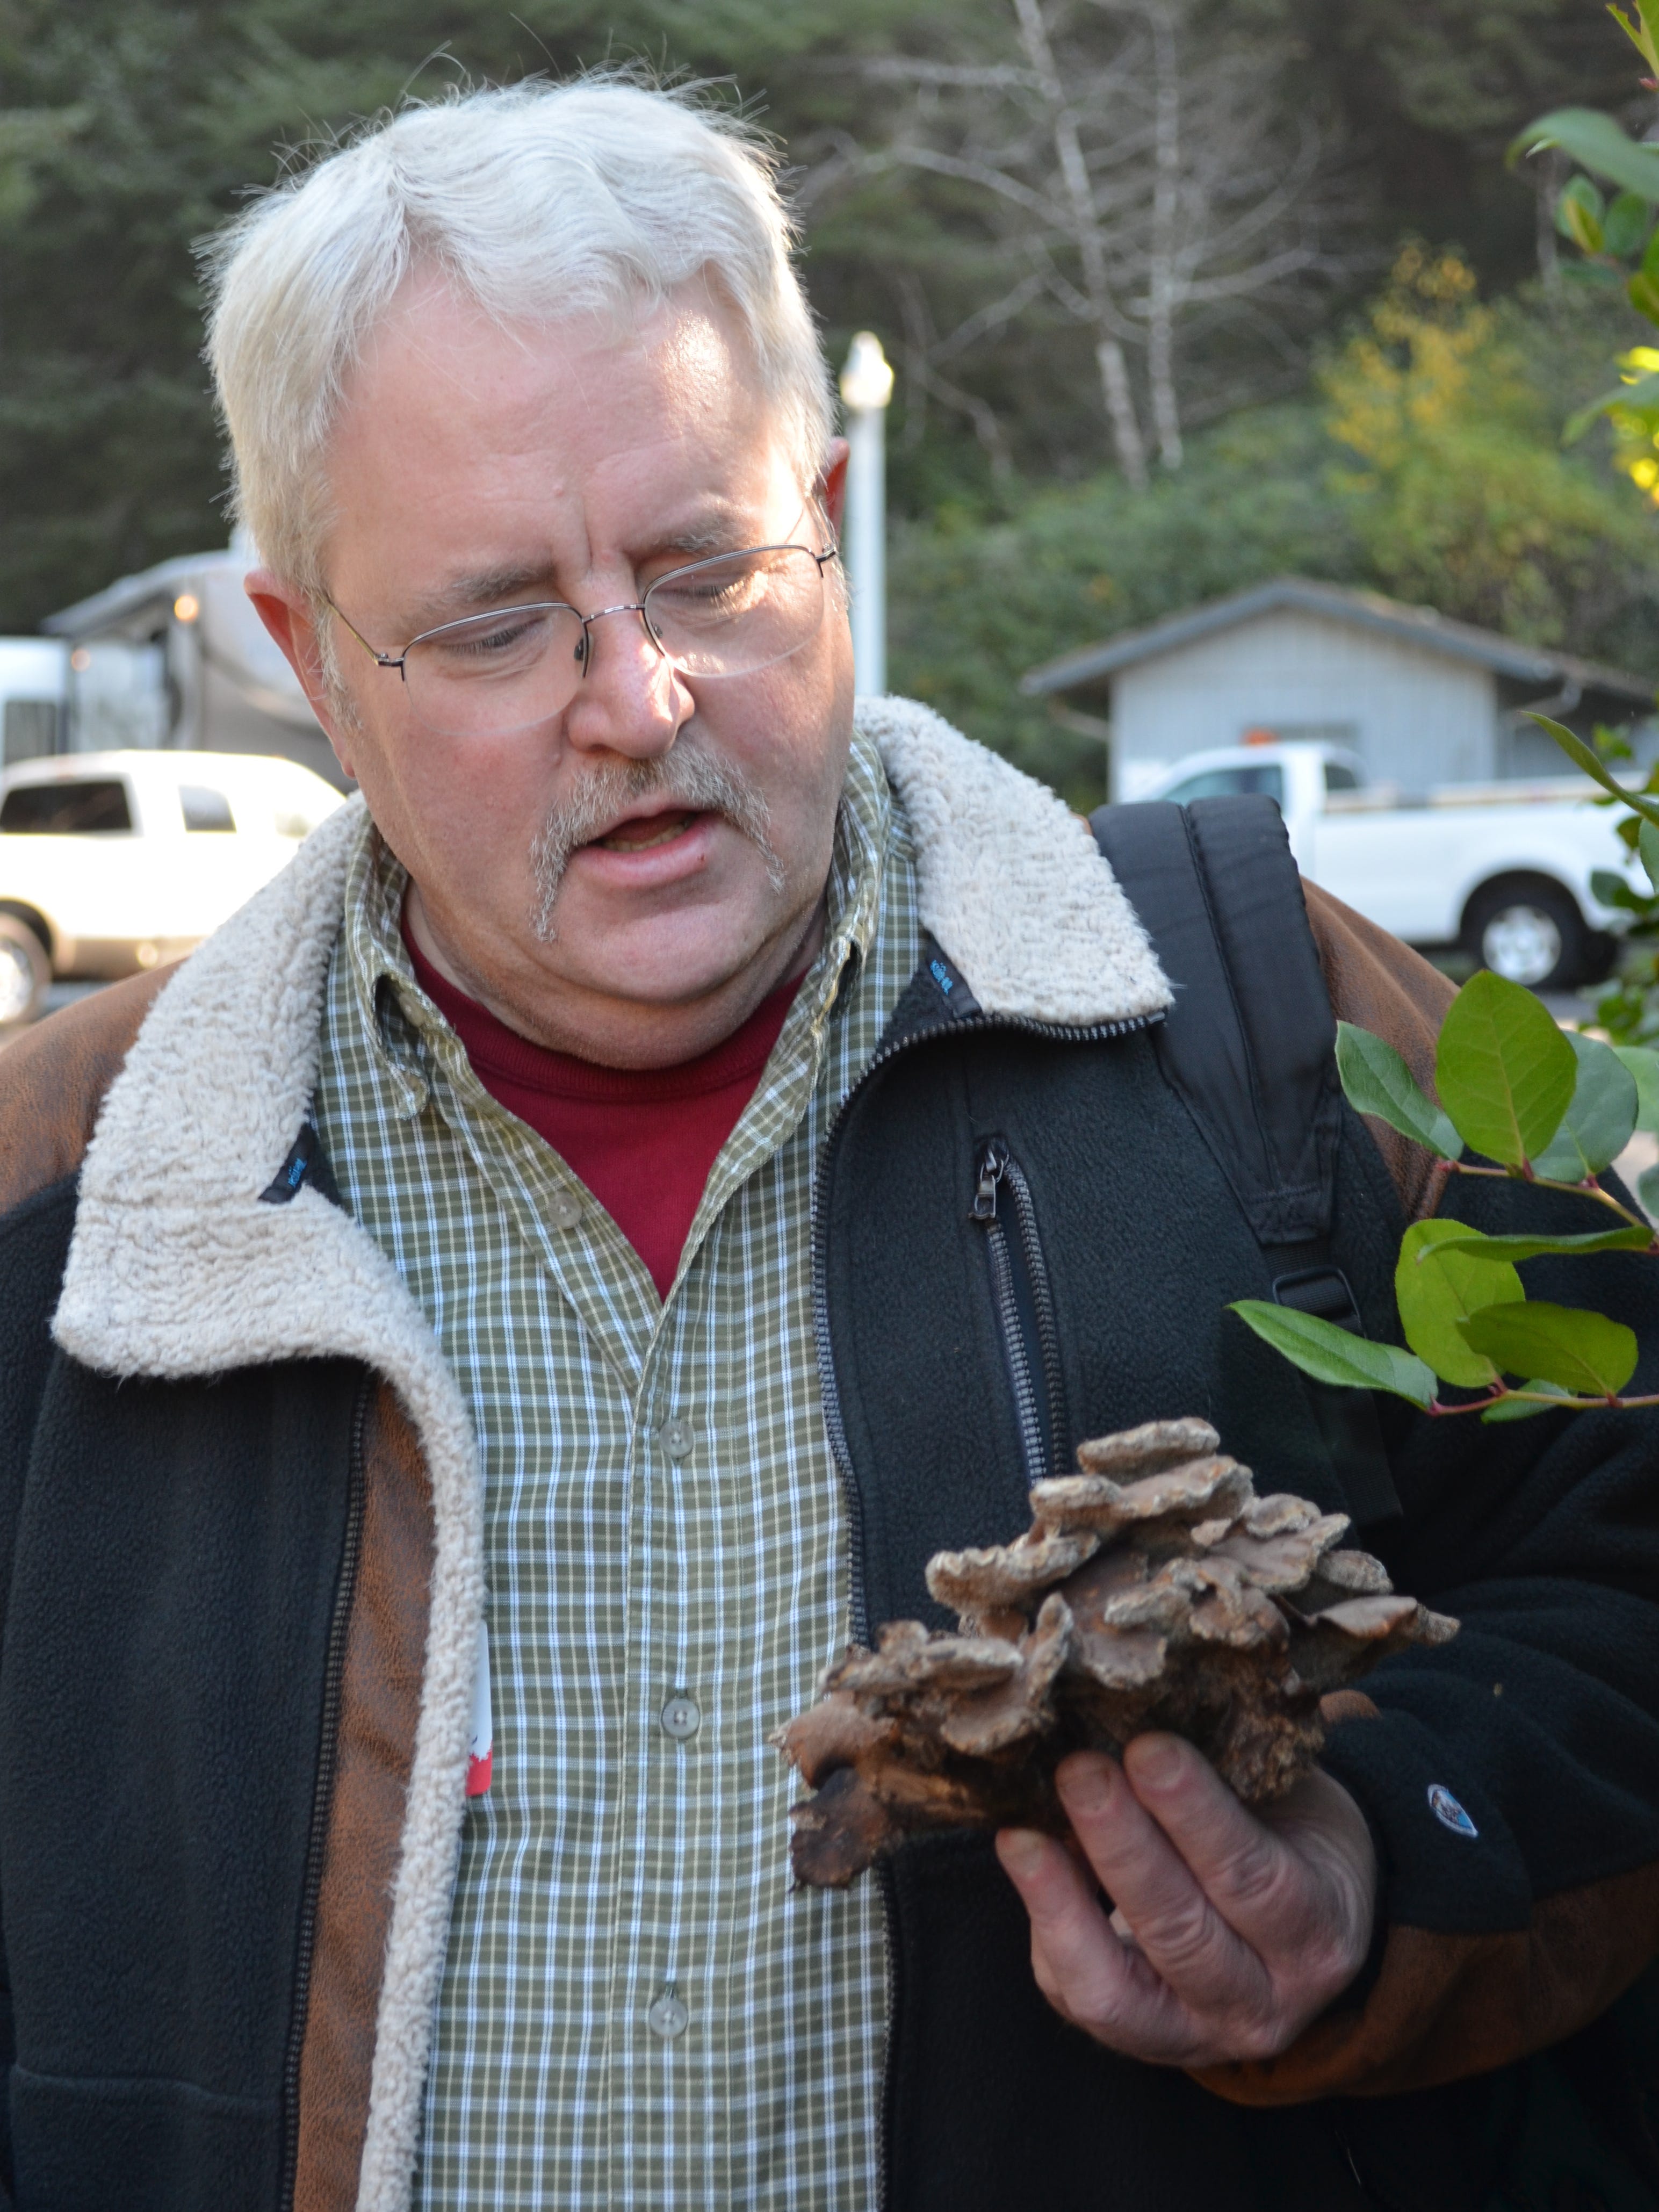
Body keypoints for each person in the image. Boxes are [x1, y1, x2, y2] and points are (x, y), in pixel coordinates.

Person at [2, 75, 1658, 2212]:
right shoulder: (65, 1194)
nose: (640, 698)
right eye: (500, 621)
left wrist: (1378, 1871)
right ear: (314, 658)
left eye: (705, 564)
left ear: (833, 503)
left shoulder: (1276, 1017)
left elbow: (1626, 1551)